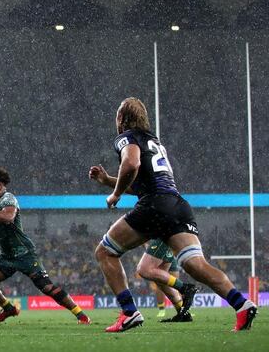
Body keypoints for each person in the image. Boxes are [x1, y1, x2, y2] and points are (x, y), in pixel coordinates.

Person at [89, 97, 257, 332]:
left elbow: (131, 164)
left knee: (105, 252)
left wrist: (114, 195)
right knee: (195, 264)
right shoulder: (155, 142)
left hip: (154, 205)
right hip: (178, 205)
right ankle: (242, 305)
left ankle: (129, 313)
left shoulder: (126, 137)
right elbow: (139, 184)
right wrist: (108, 181)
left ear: (122, 118)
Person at [0, 167, 91, 325]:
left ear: (0, 185)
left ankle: (81, 315)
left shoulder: (8, 198)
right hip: (6, 256)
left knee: (47, 288)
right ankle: (8, 309)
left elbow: (8, 217)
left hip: (24, 254)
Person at [136, 240, 193, 322]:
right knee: (161, 283)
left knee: (170, 283)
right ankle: (166, 310)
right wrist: (145, 245)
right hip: (158, 249)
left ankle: (184, 304)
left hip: (165, 247)